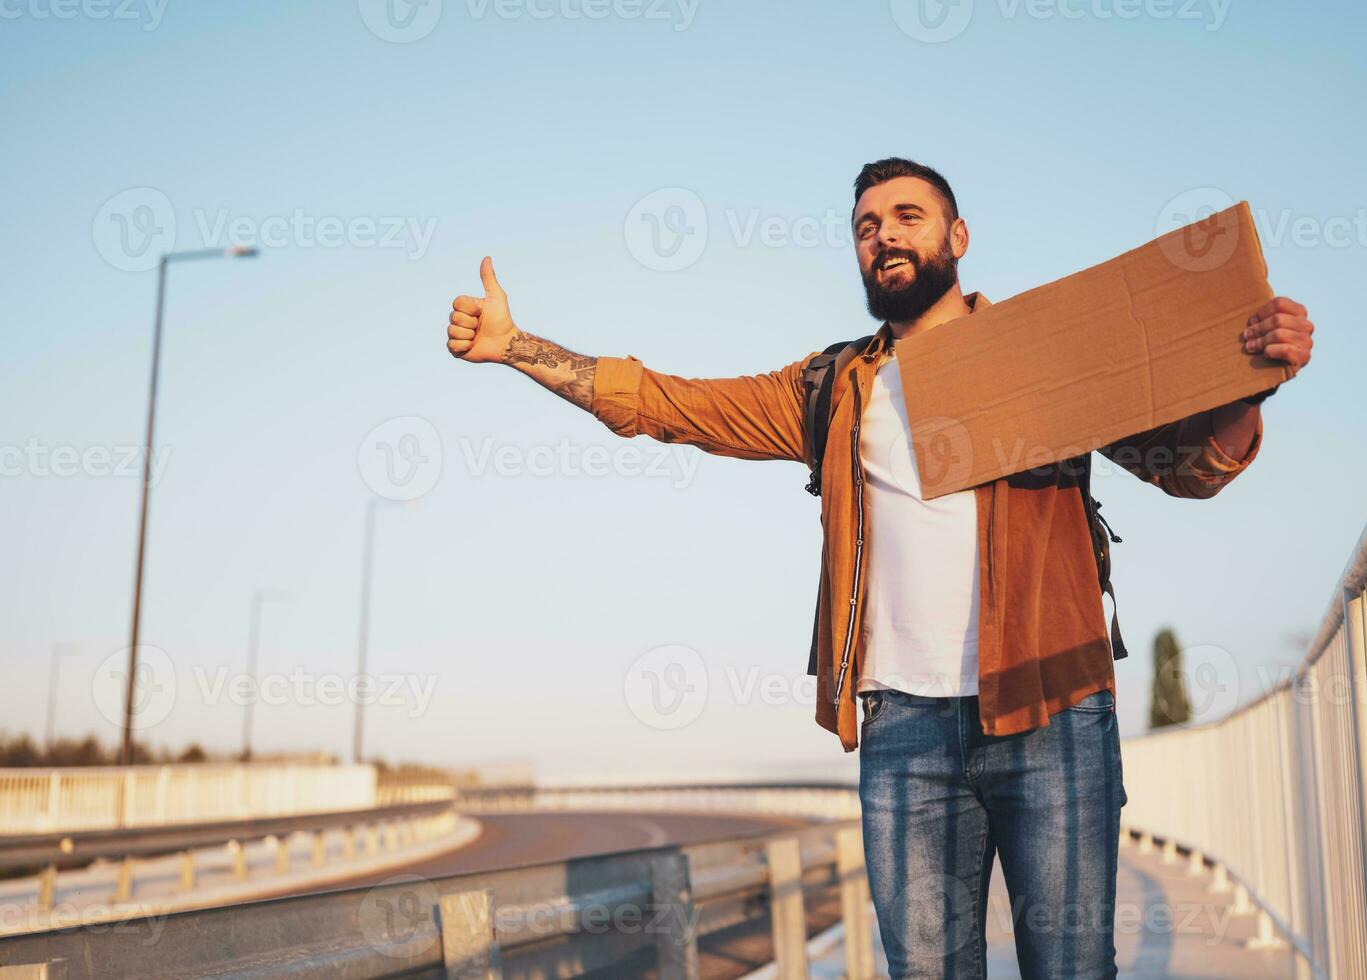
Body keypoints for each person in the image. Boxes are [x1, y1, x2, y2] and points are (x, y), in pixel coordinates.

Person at [443, 157, 1315, 977]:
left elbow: (1187, 468)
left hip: (1051, 706)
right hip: (902, 730)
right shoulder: (834, 387)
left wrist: (1251, 385)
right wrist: (518, 348)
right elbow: (670, 405)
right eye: (866, 226)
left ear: (958, 237)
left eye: (907, 217)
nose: (885, 236)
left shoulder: (1048, 356)